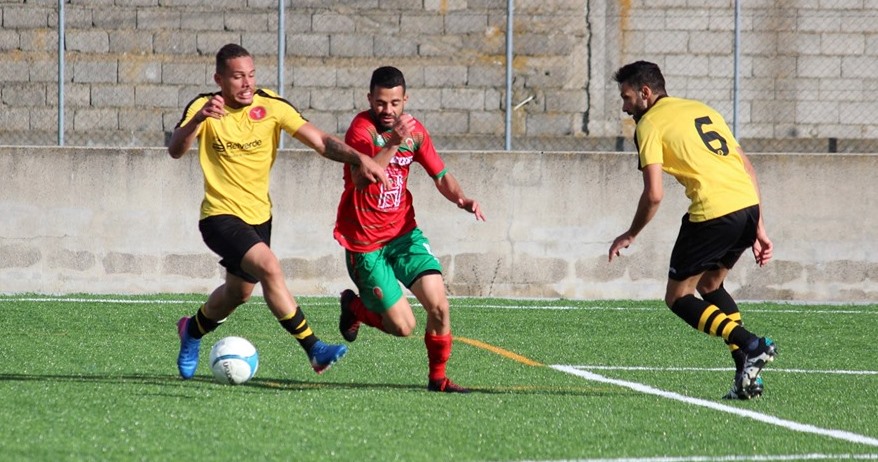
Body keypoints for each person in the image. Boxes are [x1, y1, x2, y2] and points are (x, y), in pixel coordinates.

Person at [167, 43, 389, 380]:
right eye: (238, 77)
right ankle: (314, 348)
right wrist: (198, 120)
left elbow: (320, 141)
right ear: (220, 79)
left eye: (251, 75)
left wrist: (361, 158)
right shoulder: (204, 107)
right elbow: (175, 150)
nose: (247, 83)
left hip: (260, 218)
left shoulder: (271, 106)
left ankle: (192, 331)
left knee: (237, 294)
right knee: (270, 266)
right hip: (219, 216)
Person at [607, 61, 777, 400]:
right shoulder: (702, 109)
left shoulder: (649, 124)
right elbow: (746, 166)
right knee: (711, 285)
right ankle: (747, 376)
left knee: (679, 297)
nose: (625, 108)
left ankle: (753, 344)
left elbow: (654, 194)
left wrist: (631, 233)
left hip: (713, 212)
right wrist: (759, 227)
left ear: (645, 93)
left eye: (626, 98)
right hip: (746, 206)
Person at [333, 66, 486, 393]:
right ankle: (354, 306)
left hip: (404, 235)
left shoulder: (415, 133)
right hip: (365, 243)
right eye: (381, 103)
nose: (387, 110)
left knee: (440, 307)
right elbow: (361, 179)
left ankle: (438, 380)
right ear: (370, 99)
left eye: (395, 103)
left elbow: (441, 175)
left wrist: (461, 199)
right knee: (403, 327)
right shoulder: (360, 132)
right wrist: (394, 142)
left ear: (405, 100)